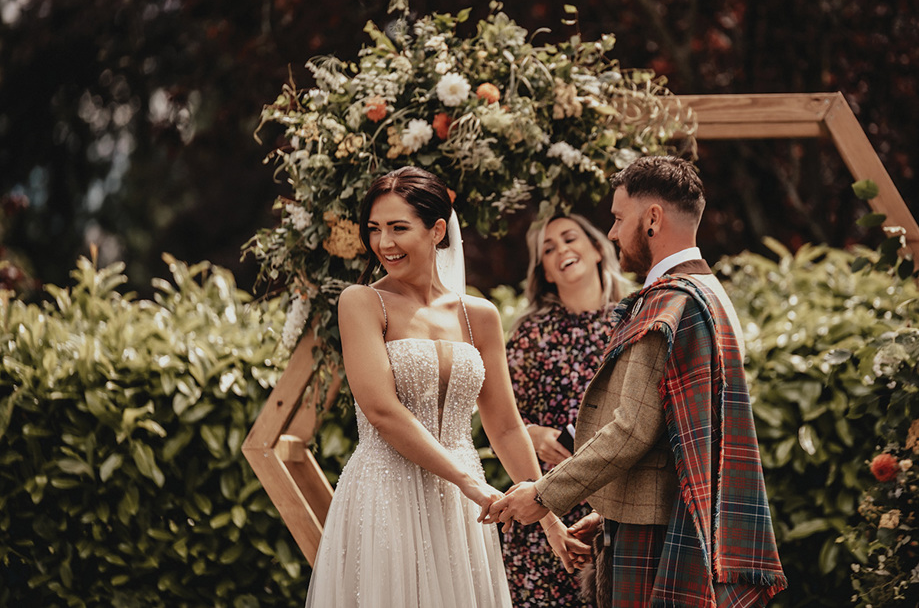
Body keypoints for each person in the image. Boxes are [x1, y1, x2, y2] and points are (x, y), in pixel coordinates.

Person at [486, 156, 788, 607]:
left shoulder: (669, 302)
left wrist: (545, 495)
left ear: (652, 220)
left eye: (617, 218)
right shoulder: (711, 292)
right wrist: (609, 513)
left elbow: (633, 429)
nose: (610, 233)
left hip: (657, 538)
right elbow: (674, 437)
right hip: (676, 521)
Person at [304, 166, 584, 607]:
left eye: (399, 228)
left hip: (459, 508)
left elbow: (507, 427)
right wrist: (469, 483)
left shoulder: (480, 315)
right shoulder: (361, 302)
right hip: (386, 492)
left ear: (437, 231)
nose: (384, 243)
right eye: (375, 229)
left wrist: (548, 518)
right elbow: (382, 411)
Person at [500, 212, 630, 607]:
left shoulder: (633, 321)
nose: (562, 251)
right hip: (542, 507)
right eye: (548, 250)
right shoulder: (530, 333)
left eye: (570, 239)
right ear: (546, 273)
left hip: (614, 499)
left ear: (596, 250)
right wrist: (534, 434)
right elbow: (498, 418)